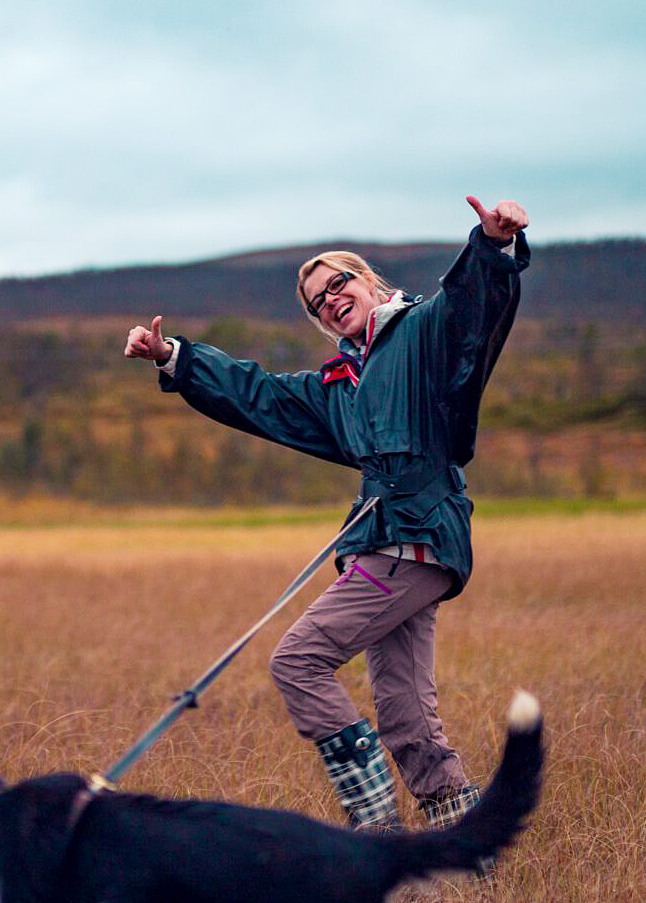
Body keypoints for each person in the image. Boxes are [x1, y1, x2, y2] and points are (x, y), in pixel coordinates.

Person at [125, 196, 529, 830]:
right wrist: (174, 355)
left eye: (337, 283)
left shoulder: (424, 329)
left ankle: (375, 832)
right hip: (384, 541)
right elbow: (256, 394)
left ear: (368, 280)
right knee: (403, 710)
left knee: (297, 661)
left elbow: (472, 308)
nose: (330, 299)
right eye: (317, 302)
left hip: (416, 535)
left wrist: (491, 244)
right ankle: (464, 846)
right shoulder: (339, 383)